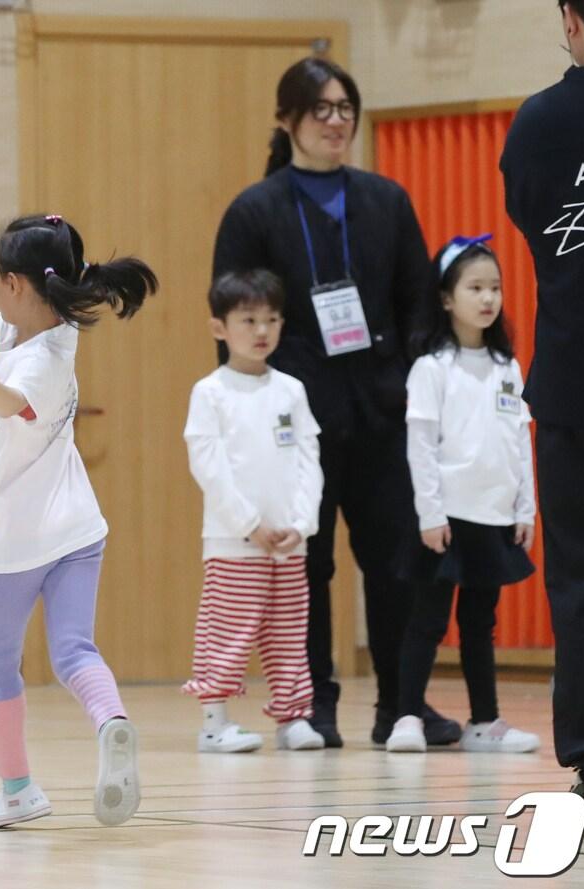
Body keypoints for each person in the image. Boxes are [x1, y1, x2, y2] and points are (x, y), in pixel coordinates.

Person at [212, 56, 460, 748]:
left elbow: (419, 299)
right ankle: (312, 701)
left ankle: (401, 705)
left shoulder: (385, 199)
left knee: (396, 563)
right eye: (320, 108)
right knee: (306, 566)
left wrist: (411, 381)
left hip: (382, 412)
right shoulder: (255, 209)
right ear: (286, 119)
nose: (336, 120)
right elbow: (233, 320)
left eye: (345, 106)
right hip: (297, 420)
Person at [0, 214, 155, 828]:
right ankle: (111, 721)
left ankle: (18, 791)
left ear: (13, 282)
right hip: (78, 532)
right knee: (73, 649)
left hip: (14, 543)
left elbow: (15, 402)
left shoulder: (43, 358)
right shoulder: (26, 329)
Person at [386, 236, 540, 755]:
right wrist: (430, 513)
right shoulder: (432, 367)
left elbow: (519, 440)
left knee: (481, 622)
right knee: (428, 619)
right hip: (445, 517)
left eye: (494, 287)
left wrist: (525, 509)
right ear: (447, 299)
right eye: (474, 287)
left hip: (493, 515)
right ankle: (406, 715)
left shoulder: (507, 367)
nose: (487, 298)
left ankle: (485, 721)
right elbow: (421, 447)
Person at [500, 0, 584, 800]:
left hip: (573, 379)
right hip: (569, 384)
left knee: (580, 572)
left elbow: (532, 220)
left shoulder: (538, 123)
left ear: (570, 16)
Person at [181, 269, 324, 754]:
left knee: (288, 634)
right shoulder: (210, 393)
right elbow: (210, 466)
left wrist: (301, 524)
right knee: (227, 628)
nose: (262, 331)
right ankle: (214, 721)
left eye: (271, 319)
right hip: (234, 542)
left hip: (289, 543)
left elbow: (309, 461)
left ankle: (293, 717)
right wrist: (249, 524)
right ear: (219, 328)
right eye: (248, 320)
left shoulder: (291, 390)